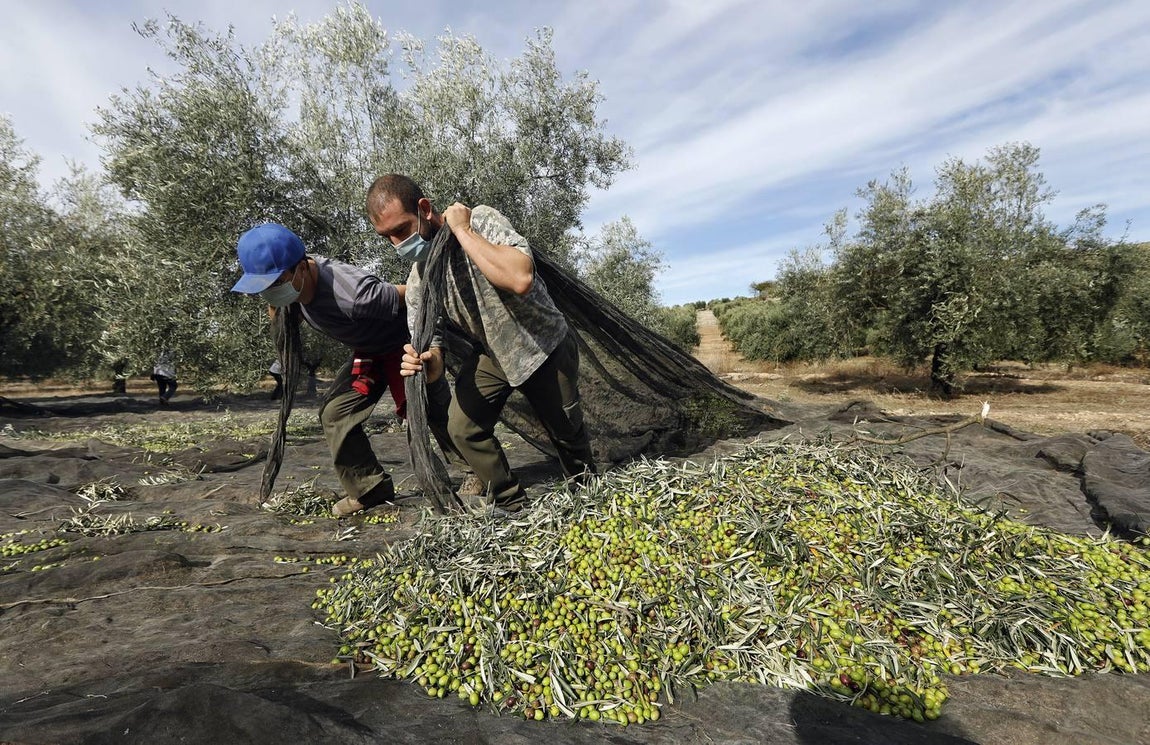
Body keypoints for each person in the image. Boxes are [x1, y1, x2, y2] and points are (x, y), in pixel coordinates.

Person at [366, 174, 595, 515]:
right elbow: (435, 354)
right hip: (495, 356)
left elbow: (520, 278)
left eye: (401, 230)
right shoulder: (419, 281)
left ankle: (589, 498)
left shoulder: (481, 221)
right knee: (462, 428)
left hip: (543, 345)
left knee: (566, 434)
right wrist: (427, 364)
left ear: (425, 209)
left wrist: (462, 231)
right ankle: (512, 503)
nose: (397, 244)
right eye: (387, 238)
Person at [231, 223, 410, 517]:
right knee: (335, 412)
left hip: (401, 344)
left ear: (302, 269)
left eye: (275, 284)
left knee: (426, 412)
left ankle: (479, 474)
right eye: (263, 288)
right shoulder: (295, 290)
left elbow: (409, 295)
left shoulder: (355, 293)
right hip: (368, 353)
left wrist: (432, 350)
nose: (270, 293)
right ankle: (369, 488)